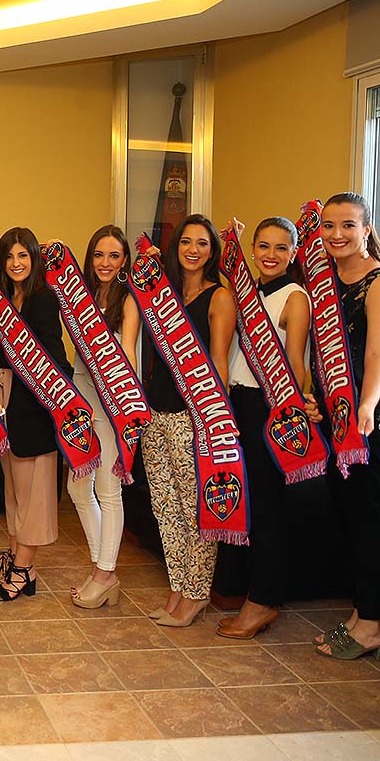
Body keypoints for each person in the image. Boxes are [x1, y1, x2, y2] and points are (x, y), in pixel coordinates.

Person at [312, 192, 380, 661]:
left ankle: (373, 624)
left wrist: (366, 405)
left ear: (366, 230)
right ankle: (360, 613)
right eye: (328, 226)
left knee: (370, 516)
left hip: (372, 415)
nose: (336, 235)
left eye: (347, 225)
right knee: (350, 514)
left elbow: (376, 354)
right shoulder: (328, 279)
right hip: (338, 415)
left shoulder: (379, 282)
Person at [217, 217, 311, 638]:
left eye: (281, 248)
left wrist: (292, 406)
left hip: (268, 405)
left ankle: (264, 601)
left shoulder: (295, 297)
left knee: (268, 508)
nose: (271, 255)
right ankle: (253, 595)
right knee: (248, 504)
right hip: (236, 401)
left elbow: (295, 362)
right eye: (264, 246)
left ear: (293, 254)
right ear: (252, 249)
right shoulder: (247, 292)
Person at [141, 214, 235, 627]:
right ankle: (177, 586)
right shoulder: (165, 296)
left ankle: (197, 593)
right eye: (186, 243)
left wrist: (214, 421)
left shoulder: (219, 297)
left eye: (202, 243)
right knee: (166, 507)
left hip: (192, 416)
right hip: (154, 413)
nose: (193, 250)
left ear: (212, 251)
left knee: (197, 509)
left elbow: (218, 362)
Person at [0, 226, 65, 601]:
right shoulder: (4, 299)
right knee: (14, 493)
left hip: (33, 406)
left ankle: (19, 570)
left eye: (23, 255)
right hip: (4, 402)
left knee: (34, 497)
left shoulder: (43, 299)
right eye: (9, 256)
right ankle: (25, 568)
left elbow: (55, 359)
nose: (16, 263)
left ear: (34, 259)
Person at [68, 225, 141, 609]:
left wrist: (125, 410)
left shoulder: (128, 299)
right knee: (78, 487)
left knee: (108, 490)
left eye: (114, 255)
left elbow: (127, 351)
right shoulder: (82, 295)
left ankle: (104, 571)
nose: (105, 263)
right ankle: (104, 569)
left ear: (125, 260)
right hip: (81, 396)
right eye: (99, 254)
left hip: (113, 400)